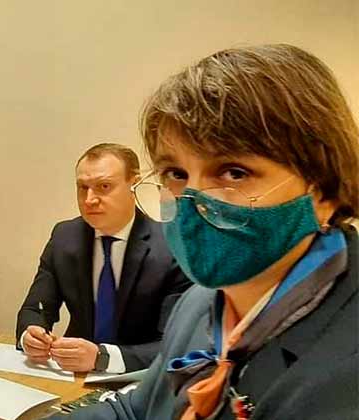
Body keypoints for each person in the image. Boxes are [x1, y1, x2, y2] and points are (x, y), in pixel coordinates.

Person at [63, 44, 359, 419]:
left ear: (323, 191)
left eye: (234, 172)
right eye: (176, 174)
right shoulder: (200, 303)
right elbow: (136, 410)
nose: (192, 203)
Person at [16, 143, 191, 374]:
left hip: (138, 379)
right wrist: (30, 335)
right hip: (71, 376)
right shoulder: (64, 236)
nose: (89, 199)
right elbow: (35, 309)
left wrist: (103, 358)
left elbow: (176, 344)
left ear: (134, 184)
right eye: (83, 188)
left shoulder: (173, 248)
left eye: (104, 186)